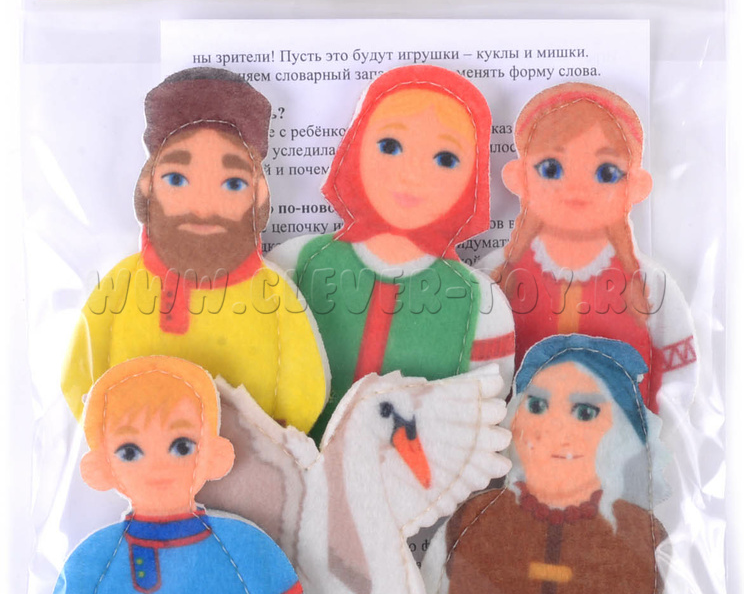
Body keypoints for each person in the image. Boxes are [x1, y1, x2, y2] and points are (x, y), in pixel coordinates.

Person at [424, 335, 690, 594]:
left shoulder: (646, 541)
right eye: (536, 406)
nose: (554, 427)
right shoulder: (471, 523)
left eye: (584, 412)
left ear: (622, 431)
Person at [49, 355, 311, 594]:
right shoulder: (96, 560)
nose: (157, 466)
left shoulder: (244, 547)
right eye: (130, 451)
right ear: (101, 467)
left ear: (214, 454)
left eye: (181, 445)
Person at [61, 67, 328, 434]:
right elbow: (80, 373)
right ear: (147, 186)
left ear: (260, 196)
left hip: (251, 455)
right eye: (177, 179)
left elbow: (304, 385)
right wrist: (115, 443)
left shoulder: (272, 292)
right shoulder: (123, 284)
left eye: (232, 183)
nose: (203, 207)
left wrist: (278, 442)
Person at [270, 66, 515, 438]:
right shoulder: (298, 263)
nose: (412, 174)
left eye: (445, 159)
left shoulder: (480, 303)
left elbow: (484, 412)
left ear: (474, 179)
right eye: (389, 146)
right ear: (354, 149)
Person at [481, 82, 697, 413]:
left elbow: (677, 371)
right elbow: (475, 368)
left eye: (606, 172)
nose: (577, 188)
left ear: (636, 186)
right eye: (551, 169)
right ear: (518, 178)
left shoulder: (650, 287)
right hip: (515, 440)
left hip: (620, 438)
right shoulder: (495, 277)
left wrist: (657, 431)